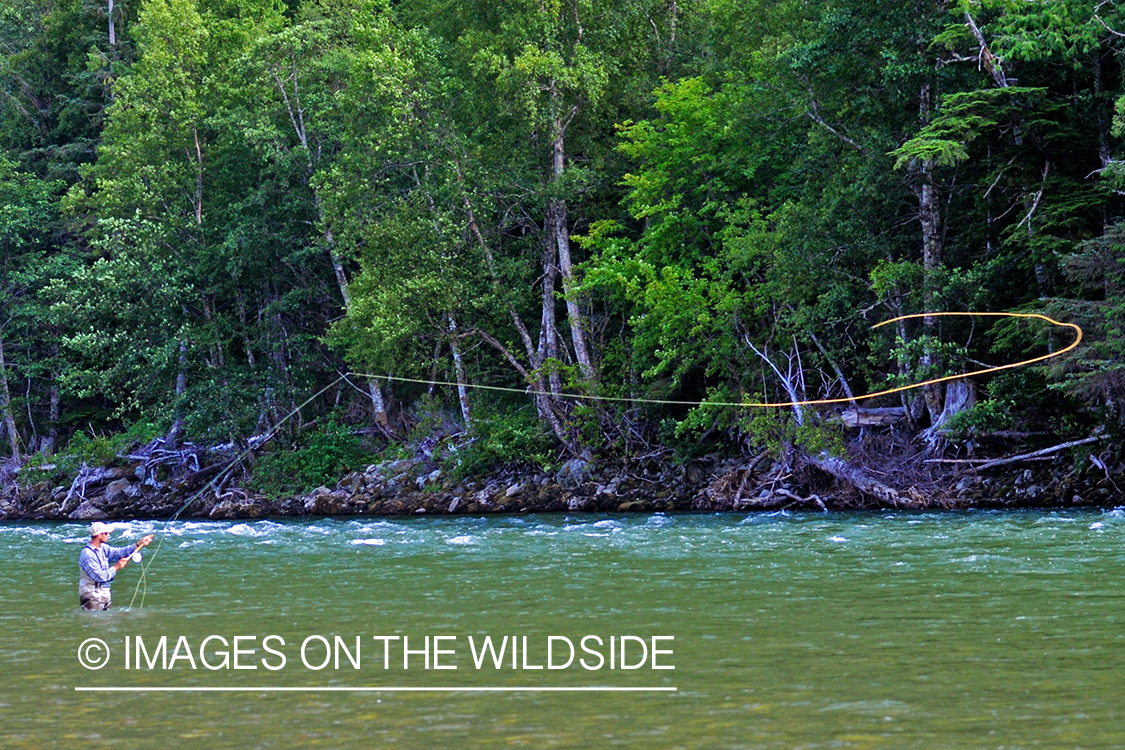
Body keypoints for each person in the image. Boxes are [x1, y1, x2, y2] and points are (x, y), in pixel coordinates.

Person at [78, 522, 154, 610]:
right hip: (92, 596)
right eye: (106, 533)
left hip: (105, 594)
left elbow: (121, 552)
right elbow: (100, 577)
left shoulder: (103, 548)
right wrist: (116, 567)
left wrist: (139, 543)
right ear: (99, 535)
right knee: (95, 622)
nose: (108, 535)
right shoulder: (87, 554)